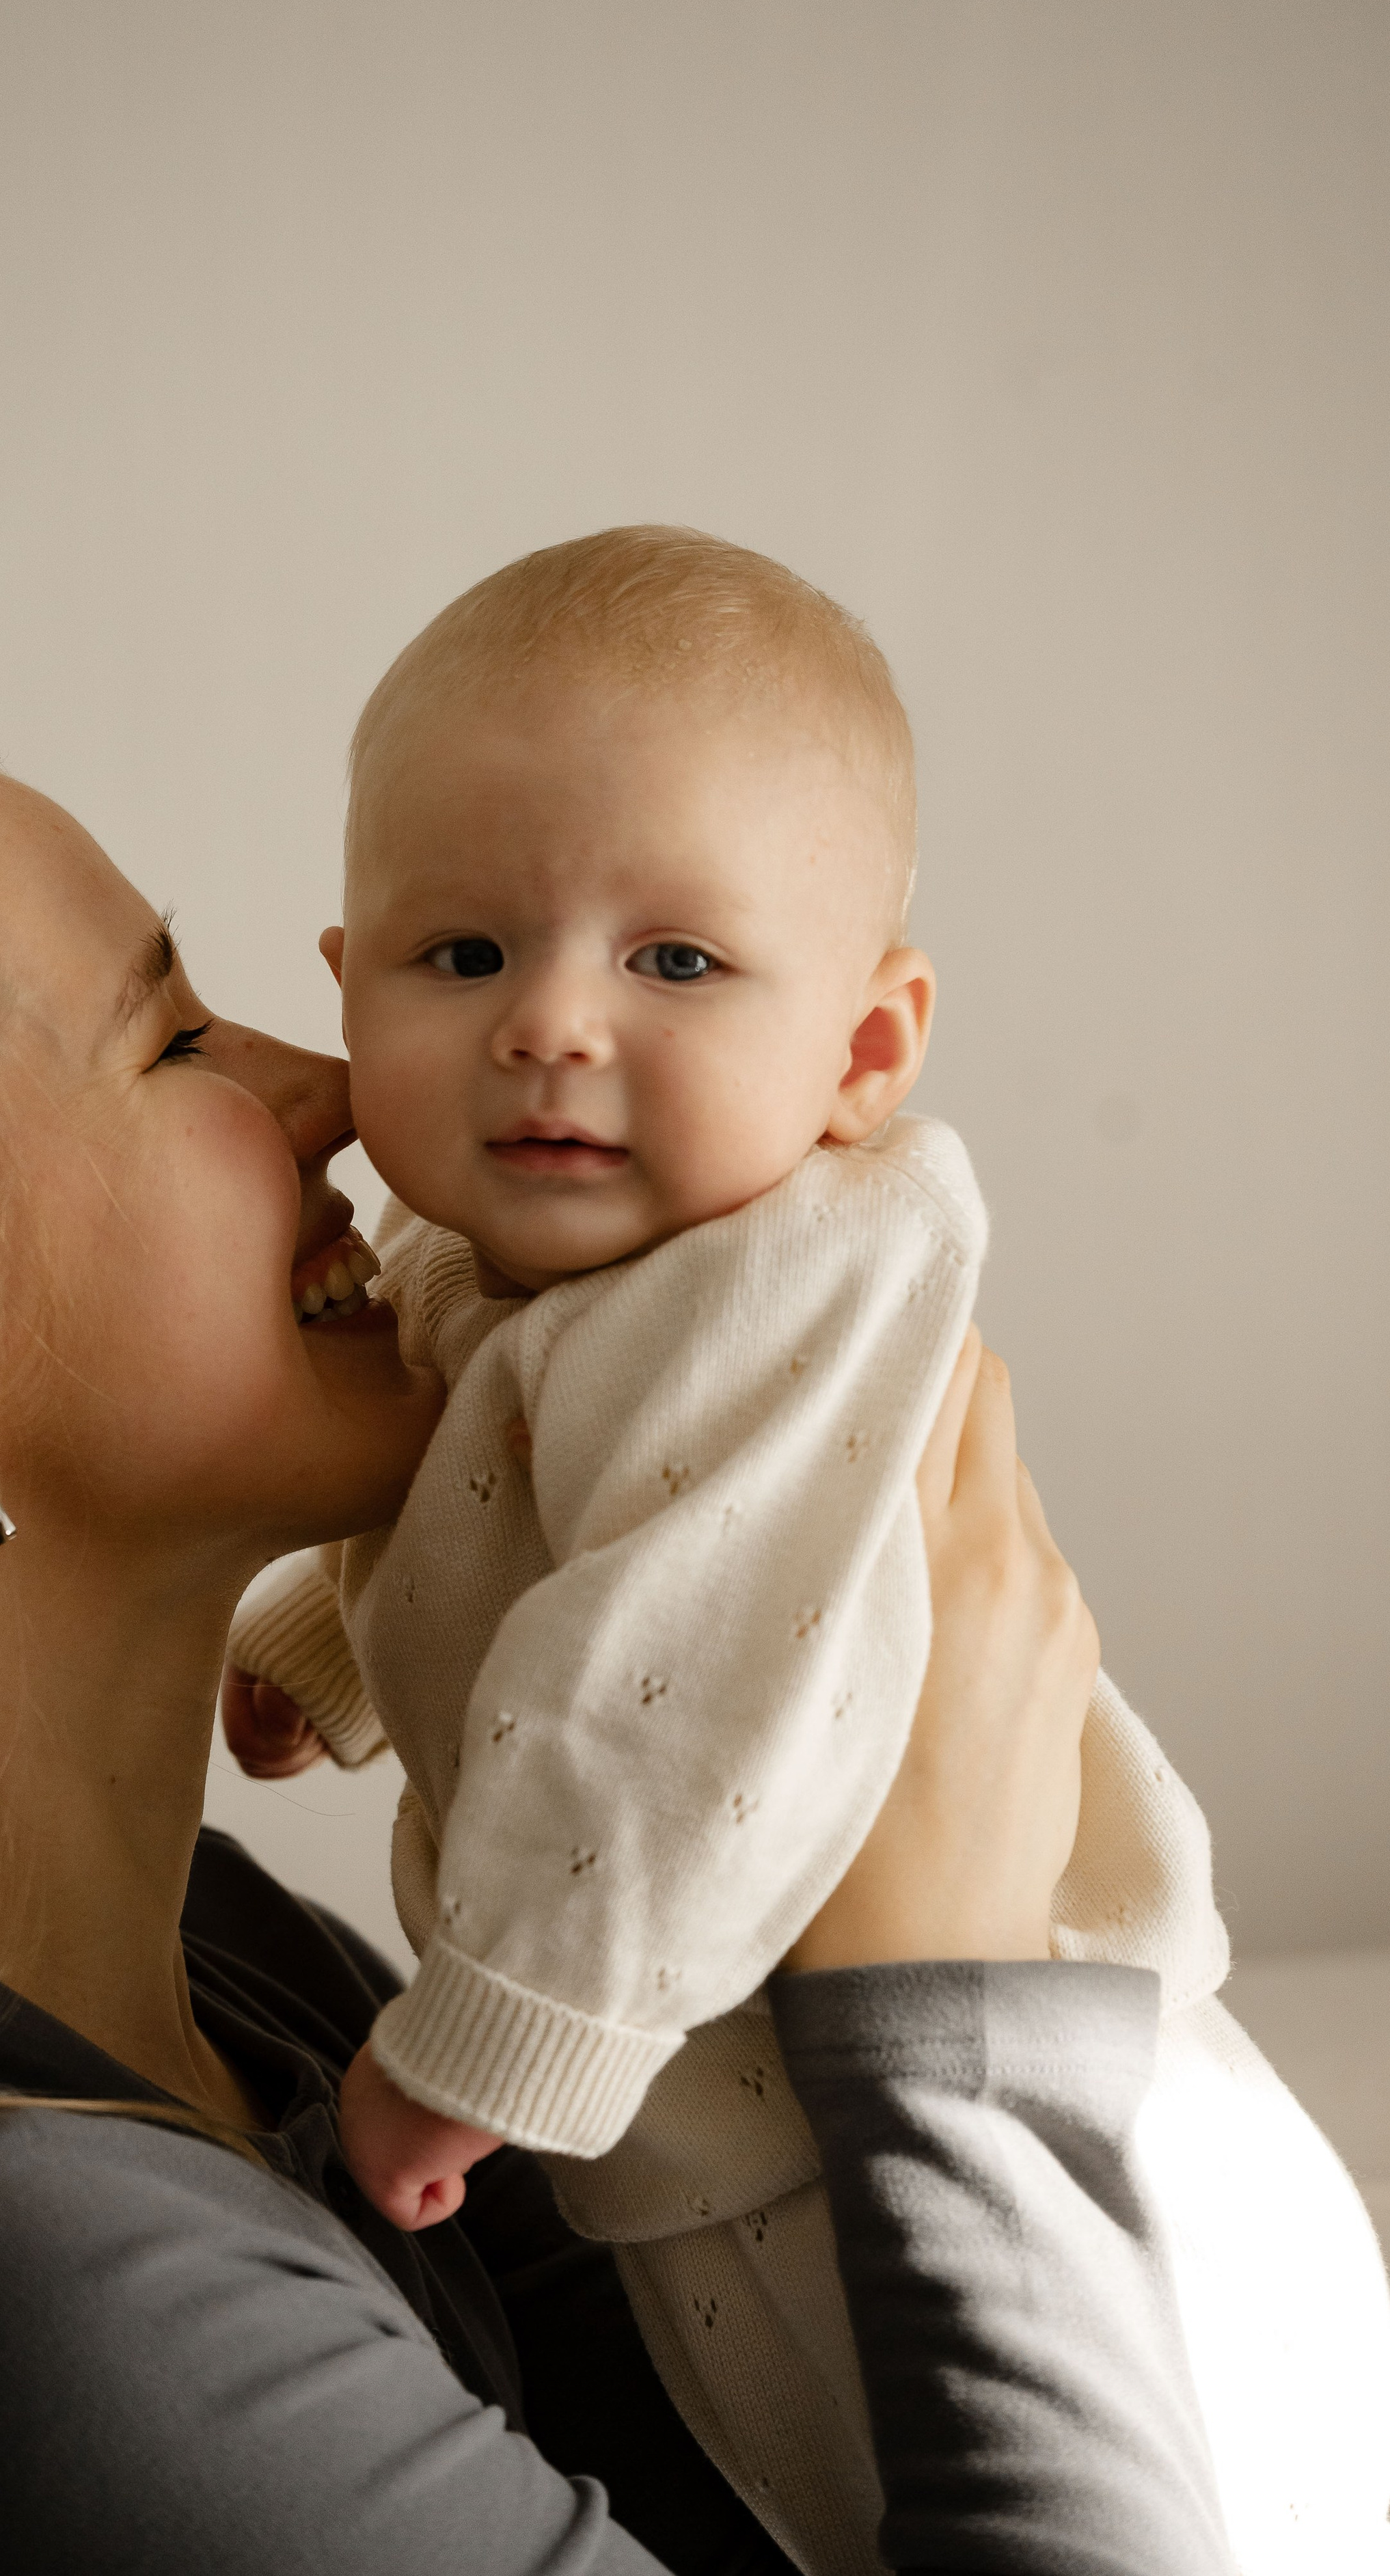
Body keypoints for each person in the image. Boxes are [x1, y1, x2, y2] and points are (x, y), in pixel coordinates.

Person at [0, 708, 1234, 2574]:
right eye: (171, 1041)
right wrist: (955, 2006)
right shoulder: (16, 2301)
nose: (338, 1088)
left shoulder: (222, 1969)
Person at [224, 528, 1390, 2573]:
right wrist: (328, 1661)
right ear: (348, 984)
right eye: (464, 956)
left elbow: (672, 1685)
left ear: (863, 1052)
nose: (549, 1024)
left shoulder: (781, 1285)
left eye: (675, 963)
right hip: (770, 2108)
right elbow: (474, 1510)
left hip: (1036, 2110)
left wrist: (486, 2039)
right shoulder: (486, 1255)